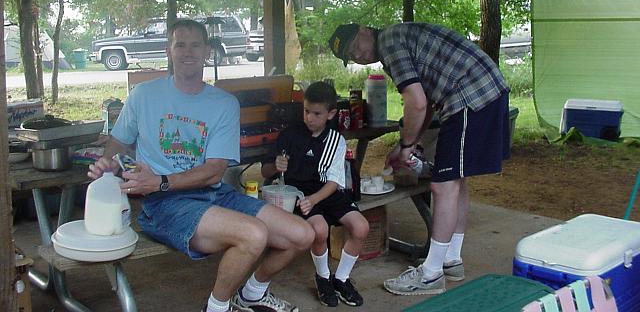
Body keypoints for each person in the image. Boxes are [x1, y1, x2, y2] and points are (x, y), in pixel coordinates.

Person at [88, 19, 314, 312]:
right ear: (168, 50)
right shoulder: (144, 95)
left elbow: (215, 170)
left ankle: (253, 293)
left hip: (214, 193)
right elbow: (119, 141)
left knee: (302, 235)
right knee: (253, 234)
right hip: (163, 203)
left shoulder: (223, 103)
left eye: (195, 44)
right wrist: (109, 161)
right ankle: (216, 308)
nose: (187, 51)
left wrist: (161, 179)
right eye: (179, 44)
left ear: (207, 50)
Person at [328, 22, 510, 295]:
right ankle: (451, 258)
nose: (359, 56)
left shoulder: (388, 42)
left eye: (356, 47)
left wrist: (406, 144)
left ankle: (430, 274)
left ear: (366, 31)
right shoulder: (399, 38)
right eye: (352, 57)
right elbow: (425, 103)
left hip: (469, 95)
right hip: (483, 90)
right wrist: (410, 146)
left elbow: (416, 102)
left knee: (443, 185)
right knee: (455, 180)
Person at [261, 81, 370, 307]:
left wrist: (315, 199)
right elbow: (266, 170)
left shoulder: (335, 140)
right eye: (306, 111)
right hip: (299, 192)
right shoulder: (289, 135)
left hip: (326, 191)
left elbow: (334, 182)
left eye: (316, 113)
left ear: (331, 113)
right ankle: (323, 277)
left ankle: (341, 279)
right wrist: (276, 166)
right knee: (319, 230)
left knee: (361, 227)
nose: (309, 117)